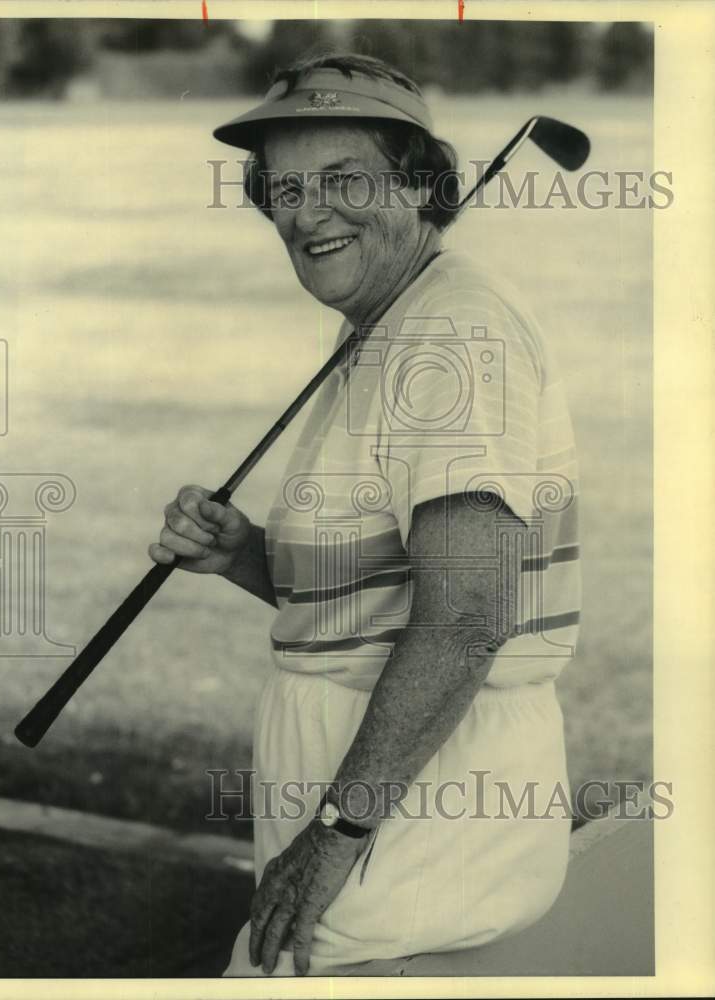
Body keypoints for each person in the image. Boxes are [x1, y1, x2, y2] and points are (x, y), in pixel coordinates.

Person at [149, 53, 582, 977]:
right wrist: (245, 557)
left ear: (423, 186)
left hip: (412, 816)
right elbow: (391, 595)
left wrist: (338, 832)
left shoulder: (449, 336)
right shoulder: (389, 320)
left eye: (345, 179)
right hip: (389, 800)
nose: (308, 214)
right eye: (287, 188)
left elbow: (466, 620)